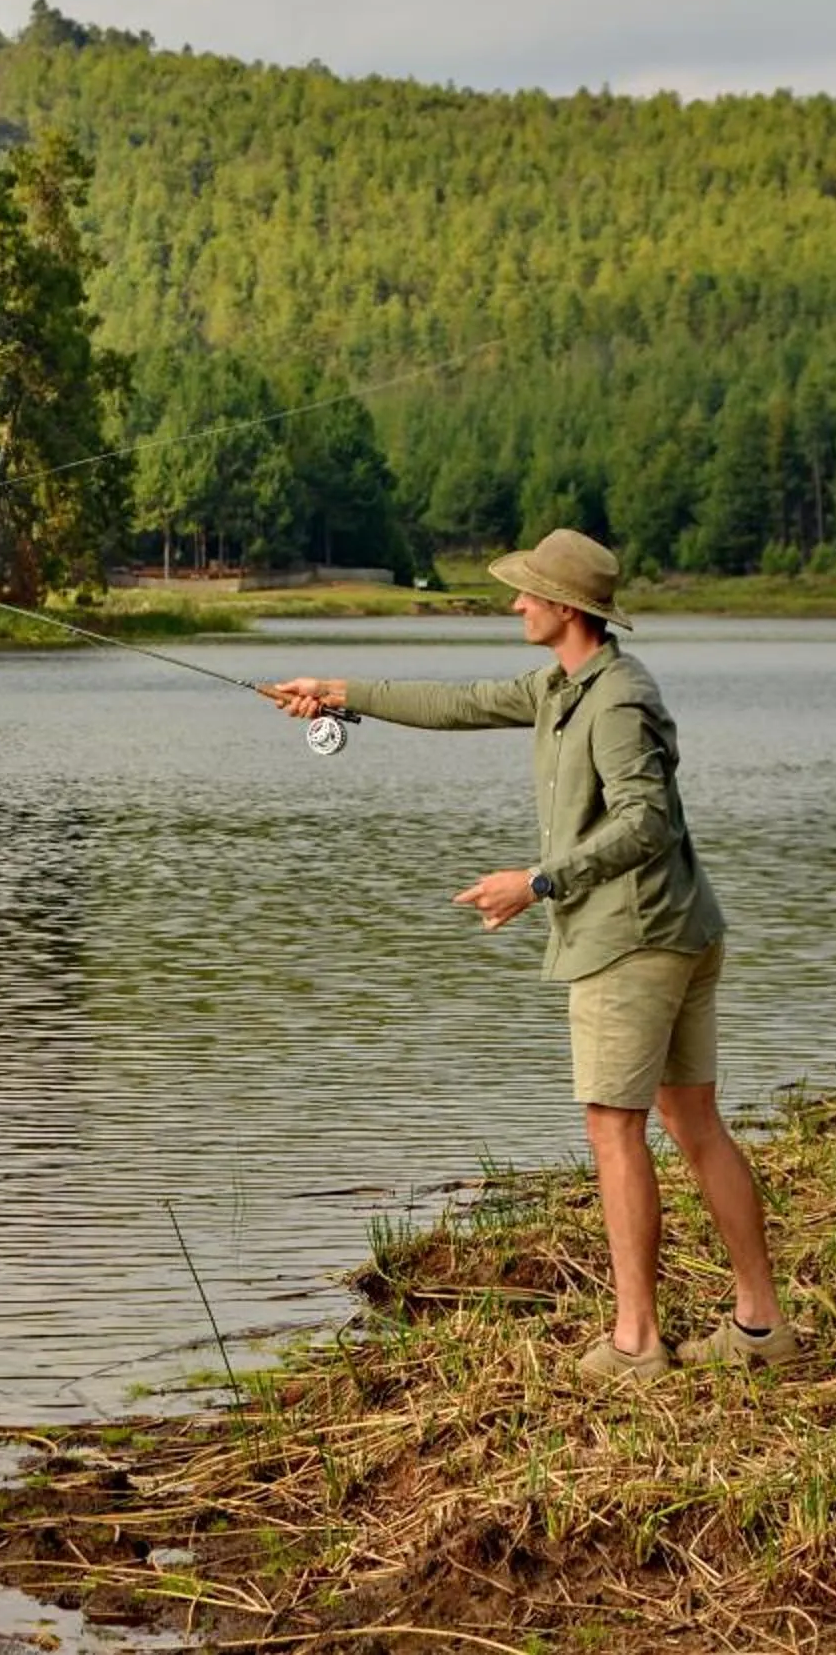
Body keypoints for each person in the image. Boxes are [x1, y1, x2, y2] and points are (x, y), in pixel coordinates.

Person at [268, 529, 790, 1382]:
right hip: (680, 931)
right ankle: (762, 1329)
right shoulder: (562, 686)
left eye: (527, 592)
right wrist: (335, 692)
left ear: (564, 607)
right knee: (693, 1123)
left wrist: (539, 882)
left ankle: (635, 1343)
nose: (515, 603)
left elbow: (645, 822)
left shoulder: (615, 701)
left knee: (615, 1130)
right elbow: (458, 703)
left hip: (634, 942)